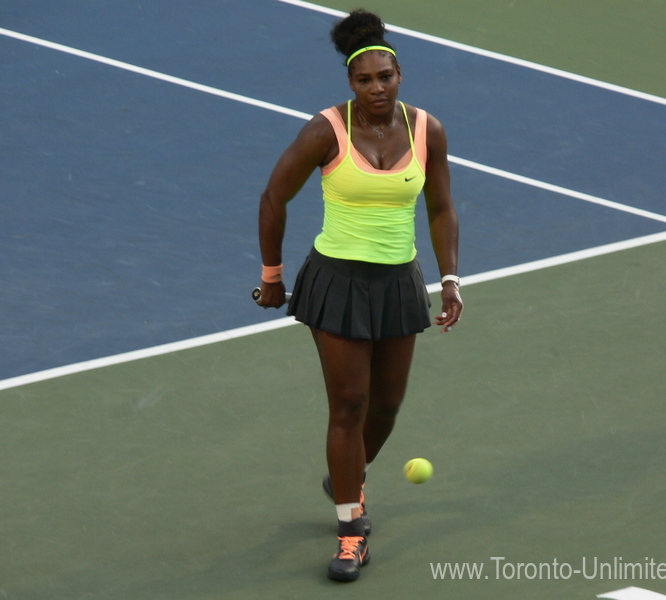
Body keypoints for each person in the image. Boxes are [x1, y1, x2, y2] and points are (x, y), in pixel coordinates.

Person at [256, 9, 463, 582]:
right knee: (348, 406)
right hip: (338, 283)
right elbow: (275, 196)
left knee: (386, 408)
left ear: (400, 77)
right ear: (351, 83)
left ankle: (346, 476)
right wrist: (272, 277)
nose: (376, 88)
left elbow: (441, 208)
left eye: (385, 78)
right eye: (365, 80)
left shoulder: (428, 130)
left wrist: (449, 279)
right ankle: (352, 532)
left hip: (398, 283)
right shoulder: (325, 130)